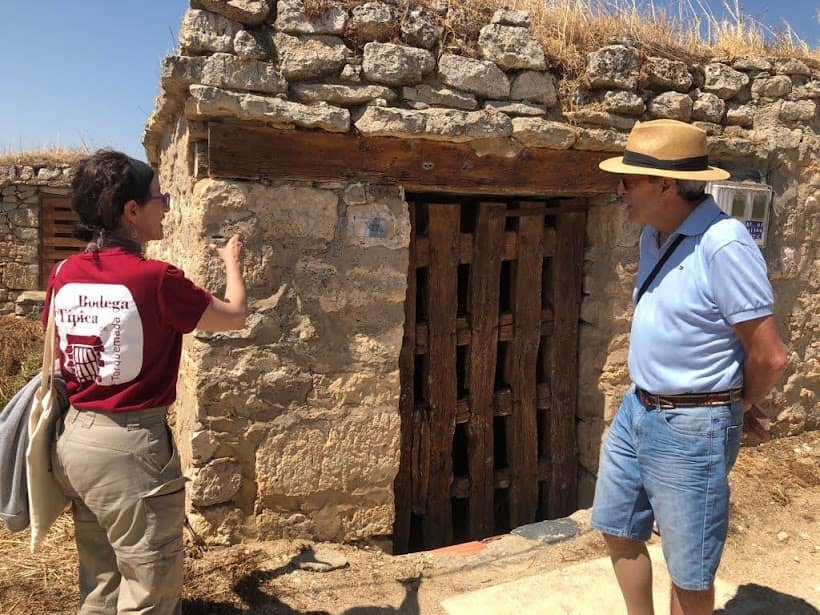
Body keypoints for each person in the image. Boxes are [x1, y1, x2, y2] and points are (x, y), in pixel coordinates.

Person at [591, 120, 788, 615]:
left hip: (692, 425)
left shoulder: (724, 243)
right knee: (617, 528)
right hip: (638, 410)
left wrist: (735, 403)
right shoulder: (656, 237)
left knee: (690, 571)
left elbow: (770, 354)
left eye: (630, 180)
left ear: (666, 184)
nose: (621, 190)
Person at [43, 150, 247, 614]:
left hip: (75, 440)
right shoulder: (156, 279)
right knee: (149, 591)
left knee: (98, 581)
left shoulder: (63, 274)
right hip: (131, 448)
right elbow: (234, 317)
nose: (166, 207)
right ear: (131, 212)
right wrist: (233, 262)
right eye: (160, 198)